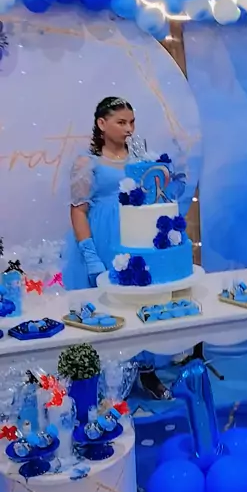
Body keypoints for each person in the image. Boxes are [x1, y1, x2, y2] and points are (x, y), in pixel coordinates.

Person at [63, 97, 172, 400]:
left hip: (136, 238)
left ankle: (147, 372)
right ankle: (104, 381)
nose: (129, 129)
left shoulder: (141, 159)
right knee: (106, 309)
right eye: (121, 122)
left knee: (142, 303)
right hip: (103, 241)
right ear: (102, 124)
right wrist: (91, 256)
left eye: (132, 122)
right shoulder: (87, 163)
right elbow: (78, 210)